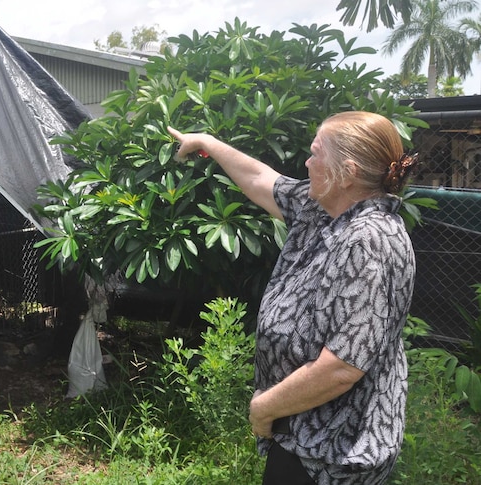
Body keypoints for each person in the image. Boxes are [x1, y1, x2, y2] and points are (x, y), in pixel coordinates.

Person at [169, 111, 419, 485]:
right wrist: (207, 142)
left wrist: (264, 409)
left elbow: (342, 367)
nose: (307, 162)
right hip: (305, 436)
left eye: (316, 154)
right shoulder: (325, 209)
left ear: (347, 172)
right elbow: (259, 178)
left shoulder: (370, 242)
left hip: (334, 455)